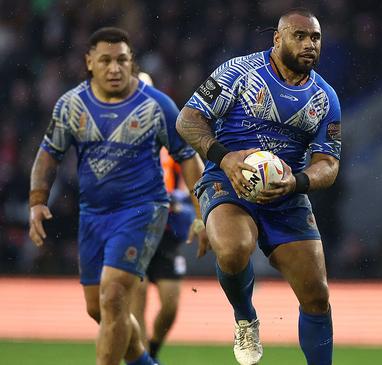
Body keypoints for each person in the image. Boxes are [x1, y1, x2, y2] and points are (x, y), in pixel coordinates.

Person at [28, 27, 207, 365]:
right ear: (89, 62)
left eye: (122, 60)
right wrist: (37, 202)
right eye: (106, 60)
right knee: (100, 308)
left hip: (143, 210)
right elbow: (47, 155)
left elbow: (188, 159)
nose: (114, 68)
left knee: (113, 296)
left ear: (131, 63)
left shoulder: (157, 106)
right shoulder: (71, 106)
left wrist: (203, 213)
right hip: (93, 216)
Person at [176, 8, 341, 365]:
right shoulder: (237, 72)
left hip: (286, 194)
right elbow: (187, 120)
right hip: (228, 180)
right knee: (234, 250)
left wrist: (296, 183)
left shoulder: (325, 98)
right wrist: (225, 158)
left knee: (317, 295)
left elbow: (329, 164)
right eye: (299, 36)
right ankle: (245, 317)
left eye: (315, 38)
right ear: (277, 39)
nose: (309, 44)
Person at [131, 147, 196, 363]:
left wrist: (179, 198)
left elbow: (190, 177)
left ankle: (153, 349)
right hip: (137, 231)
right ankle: (144, 359)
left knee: (170, 305)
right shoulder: (131, 149)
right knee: (137, 295)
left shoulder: (173, 150)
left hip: (167, 233)